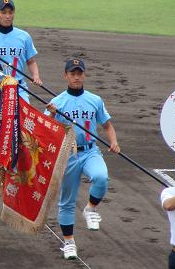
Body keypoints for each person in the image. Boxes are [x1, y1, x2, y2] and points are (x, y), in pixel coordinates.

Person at [44, 58, 120, 260]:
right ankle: (69, 243)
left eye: (79, 73)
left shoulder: (95, 100)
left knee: (101, 177)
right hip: (67, 154)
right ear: (66, 76)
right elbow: (45, 129)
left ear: (84, 75)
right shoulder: (57, 103)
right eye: (72, 73)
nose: (76, 77)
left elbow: (107, 125)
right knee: (67, 201)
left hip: (90, 151)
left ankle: (90, 208)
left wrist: (113, 141)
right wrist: (51, 115)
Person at [0, 0, 42, 189]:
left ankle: (20, 166)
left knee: (23, 126)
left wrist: (36, 76)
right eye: (3, 12)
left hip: (20, 87)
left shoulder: (23, 36)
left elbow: (31, 60)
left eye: (10, 12)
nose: (7, 16)